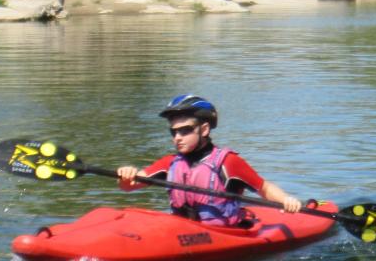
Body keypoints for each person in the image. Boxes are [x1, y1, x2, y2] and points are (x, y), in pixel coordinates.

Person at [117, 94, 302, 225]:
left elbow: (264, 188)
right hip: (181, 232)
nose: (177, 137)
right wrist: (126, 176)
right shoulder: (170, 163)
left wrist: (286, 200)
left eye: (185, 130)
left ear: (204, 130)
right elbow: (129, 186)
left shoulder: (228, 162)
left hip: (225, 235)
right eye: (173, 132)